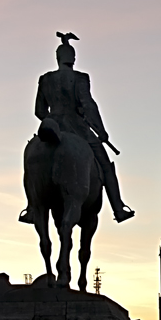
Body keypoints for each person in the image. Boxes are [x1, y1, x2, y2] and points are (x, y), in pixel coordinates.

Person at [19, 32, 135, 224]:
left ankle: (31, 208)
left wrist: (52, 120)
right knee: (105, 166)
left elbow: (39, 110)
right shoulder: (81, 78)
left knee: (29, 164)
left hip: (52, 125)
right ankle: (119, 208)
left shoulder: (45, 79)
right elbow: (88, 104)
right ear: (73, 58)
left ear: (58, 58)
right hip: (78, 128)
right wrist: (101, 131)